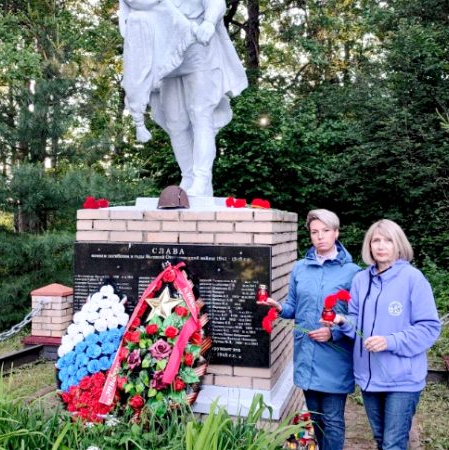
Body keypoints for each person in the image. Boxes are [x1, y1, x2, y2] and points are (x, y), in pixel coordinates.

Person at [323, 219, 441, 450]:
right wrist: (342, 321)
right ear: (369, 246)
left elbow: (429, 327)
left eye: (388, 240)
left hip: (402, 380)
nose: (381, 246)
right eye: (376, 240)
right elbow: (356, 320)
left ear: (399, 245)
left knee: (392, 444)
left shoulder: (413, 279)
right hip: (370, 378)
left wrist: (389, 341)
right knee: (381, 439)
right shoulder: (360, 280)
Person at [119, 0, 248, 197]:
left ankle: (201, 179)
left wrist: (209, 23)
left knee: (201, 115)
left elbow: (216, 3)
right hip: (170, 53)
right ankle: (187, 176)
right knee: (175, 122)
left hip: (199, 49)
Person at [263, 209, 360, 450]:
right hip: (306, 355)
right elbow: (293, 308)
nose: (320, 237)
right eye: (315, 232)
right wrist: (279, 307)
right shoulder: (300, 268)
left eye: (326, 231)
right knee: (316, 418)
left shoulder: (353, 273)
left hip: (334, 357)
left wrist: (333, 332)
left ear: (336, 233)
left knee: (333, 420)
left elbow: (358, 319)